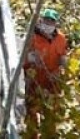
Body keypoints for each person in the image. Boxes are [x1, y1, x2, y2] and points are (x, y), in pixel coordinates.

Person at [24, 8, 69, 139]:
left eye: (51, 21)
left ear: (56, 24)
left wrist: (64, 65)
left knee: (51, 113)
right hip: (34, 81)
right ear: (41, 20)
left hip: (52, 82)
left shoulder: (61, 38)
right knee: (32, 112)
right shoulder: (32, 36)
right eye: (46, 20)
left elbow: (62, 56)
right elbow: (22, 57)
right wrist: (31, 58)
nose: (48, 24)